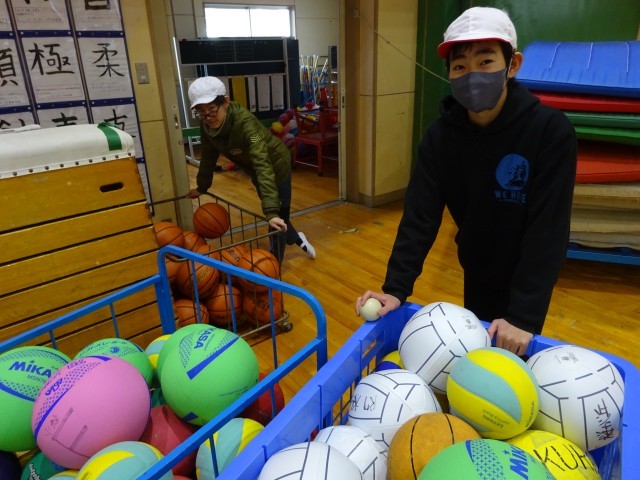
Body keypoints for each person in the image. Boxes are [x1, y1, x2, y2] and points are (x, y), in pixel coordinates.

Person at [355, 7, 576, 356]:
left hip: (526, 275)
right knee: (478, 358)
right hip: (477, 266)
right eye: (460, 66)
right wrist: (395, 289)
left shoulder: (550, 131)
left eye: (486, 62)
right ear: (449, 73)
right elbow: (419, 218)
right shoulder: (440, 138)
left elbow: (547, 231)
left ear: (513, 64)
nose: (472, 75)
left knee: (511, 361)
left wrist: (524, 315)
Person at [186, 76, 316, 263]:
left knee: (277, 218)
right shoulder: (207, 127)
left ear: (226, 102)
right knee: (279, 217)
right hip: (254, 170)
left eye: (212, 110)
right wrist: (202, 187)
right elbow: (208, 156)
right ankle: (297, 239)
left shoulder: (248, 126)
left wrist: (270, 212)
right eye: (201, 113)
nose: (208, 118)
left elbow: (262, 162)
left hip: (276, 165)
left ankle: (273, 268)